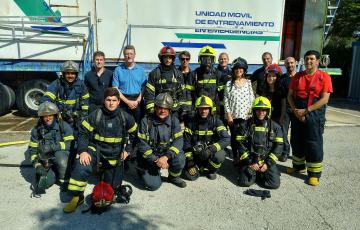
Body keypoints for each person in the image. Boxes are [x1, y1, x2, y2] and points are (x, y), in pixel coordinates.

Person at [63, 87, 137, 213]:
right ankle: (77, 197)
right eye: (108, 100)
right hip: (96, 150)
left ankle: (103, 173)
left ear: (119, 102)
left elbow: (135, 135)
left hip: (115, 153)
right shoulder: (96, 114)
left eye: (114, 100)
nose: (111, 103)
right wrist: (83, 151)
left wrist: (128, 150)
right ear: (104, 100)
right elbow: (83, 132)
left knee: (112, 188)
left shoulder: (126, 117)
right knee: (82, 165)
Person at [287, 50, 333, 186]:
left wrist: (306, 111)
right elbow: (290, 95)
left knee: (313, 143)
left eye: (312, 59)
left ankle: (314, 174)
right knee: (296, 139)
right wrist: (296, 111)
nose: (308, 61)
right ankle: (298, 166)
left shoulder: (324, 77)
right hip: (297, 110)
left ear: (317, 61)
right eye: (307, 59)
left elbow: (325, 99)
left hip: (314, 112)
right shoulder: (297, 76)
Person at [137, 93, 186, 190]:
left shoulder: (174, 121)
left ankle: (173, 177)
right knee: (153, 185)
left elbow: (179, 141)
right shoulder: (146, 121)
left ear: (170, 109)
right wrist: (155, 160)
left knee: (180, 158)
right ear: (155, 107)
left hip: (166, 155)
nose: (162, 110)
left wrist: (166, 157)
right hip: (150, 157)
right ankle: (142, 170)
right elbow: (141, 144)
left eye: (165, 108)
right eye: (160, 107)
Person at [236, 96, 283, 189]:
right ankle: (253, 172)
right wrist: (250, 162)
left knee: (274, 184)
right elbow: (240, 145)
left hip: (266, 160)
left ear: (268, 111)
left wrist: (267, 164)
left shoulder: (275, 127)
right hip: (250, 160)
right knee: (244, 182)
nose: (261, 113)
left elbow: (279, 147)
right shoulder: (245, 125)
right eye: (258, 110)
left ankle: (260, 174)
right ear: (254, 111)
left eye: (264, 110)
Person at [28, 101, 74, 194]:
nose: (48, 118)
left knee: (61, 159)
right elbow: (32, 150)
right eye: (45, 116)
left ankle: (64, 182)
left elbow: (71, 145)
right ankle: (55, 173)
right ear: (41, 117)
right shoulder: (36, 131)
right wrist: (37, 165)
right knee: (41, 186)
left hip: (62, 157)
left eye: (50, 115)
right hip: (46, 162)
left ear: (55, 116)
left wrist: (53, 147)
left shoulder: (64, 126)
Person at [182, 96, 230, 181]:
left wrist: (211, 149)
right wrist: (189, 160)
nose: (203, 111)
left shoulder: (216, 121)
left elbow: (226, 139)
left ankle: (212, 170)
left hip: (210, 153)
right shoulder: (191, 122)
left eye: (206, 108)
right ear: (197, 109)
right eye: (201, 108)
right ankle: (198, 167)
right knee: (191, 176)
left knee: (220, 155)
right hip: (196, 155)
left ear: (210, 109)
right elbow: (186, 142)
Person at [41, 60, 89, 137]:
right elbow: (46, 100)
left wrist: (82, 116)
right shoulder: (56, 84)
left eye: (73, 73)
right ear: (63, 74)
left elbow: (86, 102)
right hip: (60, 118)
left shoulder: (81, 85)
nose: (70, 75)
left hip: (76, 119)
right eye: (68, 73)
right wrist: (53, 113)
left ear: (76, 74)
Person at [224, 57, 254, 164]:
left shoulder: (249, 83)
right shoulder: (229, 84)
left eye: (241, 68)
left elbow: (252, 98)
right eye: (236, 68)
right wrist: (229, 115)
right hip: (234, 116)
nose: (238, 70)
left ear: (244, 70)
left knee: (245, 137)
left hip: (246, 116)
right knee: (234, 137)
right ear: (233, 70)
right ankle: (236, 156)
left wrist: (251, 113)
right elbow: (226, 100)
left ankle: (244, 156)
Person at [144, 46, 185, 119]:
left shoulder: (178, 74)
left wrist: (182, 109)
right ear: (161, 58)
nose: (168, 60)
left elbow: (182, 94)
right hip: (159, 110)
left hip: (174, 110)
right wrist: (151, 109)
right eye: (166, 57)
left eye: (170, 58)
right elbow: (149, 93)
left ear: (173, 59)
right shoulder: (154, 74)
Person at [257, 64, 287, 162]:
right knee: (269, 133)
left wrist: (282, 116)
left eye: (274, 76)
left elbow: (283, 104)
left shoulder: (281, 89)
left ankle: (284, 152)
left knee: (281, 134)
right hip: (268, 116)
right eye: (269, 76)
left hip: (278, 116)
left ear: (277, 77)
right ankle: (270, 150)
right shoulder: (264, 89)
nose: (271, 78)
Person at [112, 45, 147, 125]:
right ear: (124, 56)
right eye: (127, 54)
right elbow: (115, 89)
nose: (129, 56)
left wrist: (138, 100)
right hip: (123, 101)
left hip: (137, 101)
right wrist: (127, 102)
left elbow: (144, 87)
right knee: (122, 123)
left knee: (138, 124)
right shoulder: (118, 70)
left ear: (134, 55)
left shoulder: (140, 70)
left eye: (131, 53)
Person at [184, 46, 224, 114]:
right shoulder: (193, 74)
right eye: (204, 59)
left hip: (213, 112)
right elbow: (187, 94)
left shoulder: (218, 74)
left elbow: (222, 95)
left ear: (213, 60)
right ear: (200, 59)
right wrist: (188, 112)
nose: (207, 62)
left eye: (209, 59)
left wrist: (221, 111)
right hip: (198, 111)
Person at [279, 57, 297, 161]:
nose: (290, 65)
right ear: (285, 65)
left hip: (297, 110)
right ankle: (285, 152)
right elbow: (282, 98)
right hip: (286, 109)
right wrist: (282, 114)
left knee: (296, 133)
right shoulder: (282, 79)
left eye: (291, 63)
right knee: (284, 133)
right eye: (287, 63)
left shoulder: (300, 77)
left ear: (295, 63)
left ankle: (297, 154)